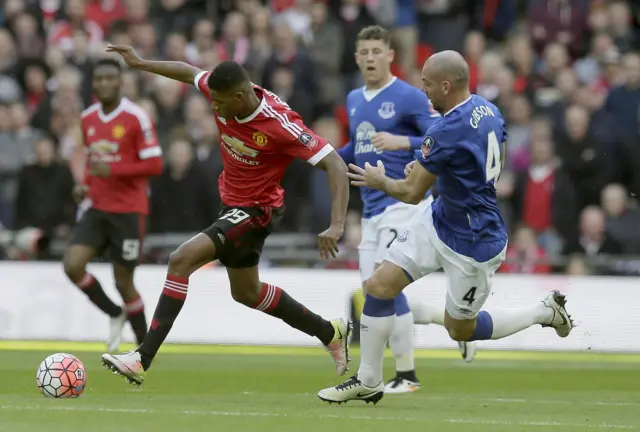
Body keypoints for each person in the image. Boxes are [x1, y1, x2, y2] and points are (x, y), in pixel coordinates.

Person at [318, 51, 573, 405]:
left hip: (474, 244)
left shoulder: (445, 129)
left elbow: (409, 193)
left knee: (460, 328)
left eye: (426, 83)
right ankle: (368, 379)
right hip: (439, 219)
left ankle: (543, 312)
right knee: (379, 285)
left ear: (446, 85)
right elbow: (481, 155)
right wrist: (434, 170)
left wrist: (379, 180)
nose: (423, 90)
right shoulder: (488, 109)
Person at [101, 45, 351, 386]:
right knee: (246, 293)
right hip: (232, 205)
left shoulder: (279, 124)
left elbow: (335, 163)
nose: (213, 107)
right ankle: (329, 331)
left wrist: (337, 224)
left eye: (218, 103)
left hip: (257, 210)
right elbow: (189, 72)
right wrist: (142, 63)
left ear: (239, 95)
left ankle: (142, 358)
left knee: (181, 259)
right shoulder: (221, 90)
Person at [339, 25, 475, 395]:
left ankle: (406, 375)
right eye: (363, 51)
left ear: (389, 55)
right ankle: (455, 325)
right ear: (356, 57)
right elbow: (357, 148)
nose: (369, 58)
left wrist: (404, 142)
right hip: (371, 207)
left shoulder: (410, 97)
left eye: (376, 51)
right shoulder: (353, 98)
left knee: (383, 289)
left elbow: (441, 134)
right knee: (376, 292)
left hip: (403, 203)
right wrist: (322, 158)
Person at [63, 58, 164, 353]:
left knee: (123, 282)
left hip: (129, 211)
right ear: (92, 84)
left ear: (121, 82)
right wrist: (84, 186)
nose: (104, 83)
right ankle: (113, 312)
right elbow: (93, 161)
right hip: (97, 207)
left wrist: (115, 172)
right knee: (72, 265)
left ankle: (144, 348)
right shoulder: (88, 118)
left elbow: (156, 164)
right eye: (99, 79)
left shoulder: (136, 117)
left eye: (110, 78)